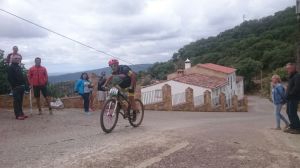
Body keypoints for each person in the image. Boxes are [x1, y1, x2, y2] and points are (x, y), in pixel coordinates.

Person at [7, 56, 28, 120]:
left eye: (18, 58)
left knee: (20, 101)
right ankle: (17, 115)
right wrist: (14, 85)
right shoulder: (11, 67)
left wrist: (25, 85)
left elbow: (22, 77)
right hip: (16, 87)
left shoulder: (18, 66)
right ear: (12, 59)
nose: (17, 59)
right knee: (16, 101)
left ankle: (21, 113)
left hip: (21, 86)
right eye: (15, 58)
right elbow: (10, 78)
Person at [284, 63, 300, 134]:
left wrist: (290, 94)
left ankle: (297, 128)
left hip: (293, 98)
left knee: (292, 113)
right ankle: (293, 126)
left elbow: (297, 88)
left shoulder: (297, 76)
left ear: (293, 68)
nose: (287, 70)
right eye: (287, 68)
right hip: (289, 98)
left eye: (289, 68)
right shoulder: (291, 77)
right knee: (288, 112)